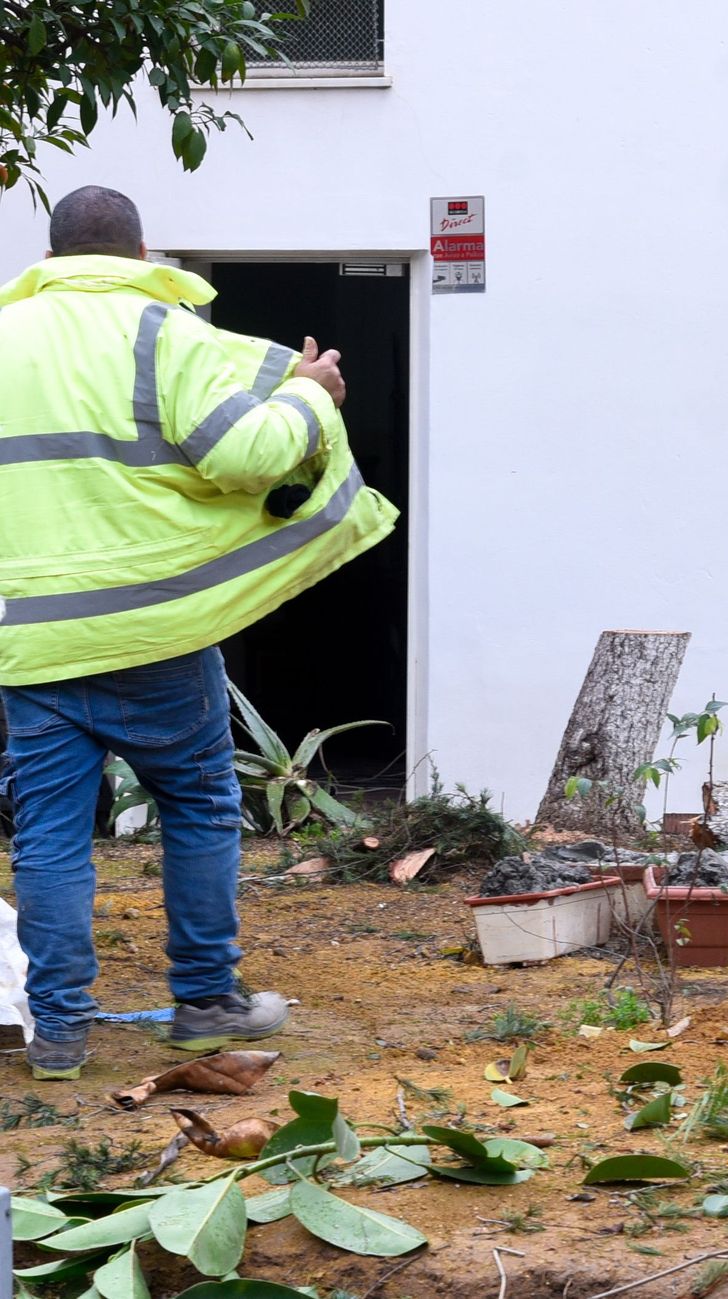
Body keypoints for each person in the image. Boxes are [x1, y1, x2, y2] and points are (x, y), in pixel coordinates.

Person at [0, 186, 398, 1080]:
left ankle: (59, 1032)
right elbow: (241, 457)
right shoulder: (164, 334)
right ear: (142, 251)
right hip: (157, 634)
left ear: (53, 255)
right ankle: (207, 1000)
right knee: (201, 807)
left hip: (32, 643)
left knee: (50, 838)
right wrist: (311, 399)